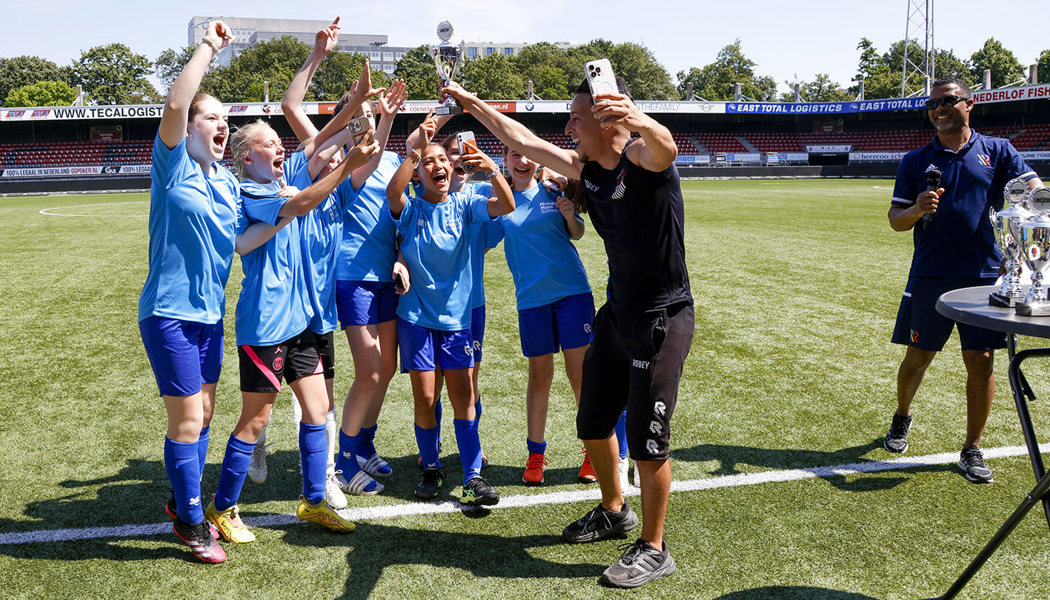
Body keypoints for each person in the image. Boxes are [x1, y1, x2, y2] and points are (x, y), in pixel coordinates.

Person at [441, 77, 693, 588]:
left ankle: (654, 545)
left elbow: (666, 147)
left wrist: (635, 115)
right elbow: (521, 139)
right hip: (617, 315)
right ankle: (613, 508)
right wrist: (471, 103)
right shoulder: (584, 170)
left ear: (607, 123)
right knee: (592, 423)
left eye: (576, 118)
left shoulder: (642, 162)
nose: (567, 127)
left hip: (662, 319)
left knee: (647, 442)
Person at [205, 100, 381, 545]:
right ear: (248, 157)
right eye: (269, 143)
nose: (280, 148)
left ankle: (313, 500)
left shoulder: (284, 181)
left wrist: (360, 113)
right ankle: (222, 507)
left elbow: (322, 145)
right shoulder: (253, 190)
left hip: (302, 320)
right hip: (265, 323)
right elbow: (302, 203)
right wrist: (343, 168)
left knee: (318, 411)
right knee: (256, 420)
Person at [884, 76, 1042, 484]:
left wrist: (1039, 206)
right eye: (933, 103)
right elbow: (896, 221)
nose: (939, 108)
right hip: (931, 274)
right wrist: (917, 210)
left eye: (949, 100)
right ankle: (902, 417)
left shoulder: (997, 150)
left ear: (969, 105)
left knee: (982, 361)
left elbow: (1033, 189)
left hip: (988, 277)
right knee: (918, 356)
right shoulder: (915, 161)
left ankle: (972, 448)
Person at [281, 20, 414, 496]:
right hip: (350, 276)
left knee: (385, 369)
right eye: (353, 117)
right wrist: (381, 116)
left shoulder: (376, 163)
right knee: (370, 370)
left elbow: (398, 213)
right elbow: (363, 154)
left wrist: (400, 255)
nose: (360, 123)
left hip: (382, 277)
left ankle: (360, 445)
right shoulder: (345, 159)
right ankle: (342, 457)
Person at [138, 20, 238, 564]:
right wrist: (208, 47)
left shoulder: (225, 181)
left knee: (201, 410)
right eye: (211, 118)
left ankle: (183, 503)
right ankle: (193, 523)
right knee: (189, 419)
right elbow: (175, 109)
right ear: (193, 128)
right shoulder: (172, 167)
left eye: (226, 119)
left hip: (210, 316)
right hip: (168, 311)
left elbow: (246, 237)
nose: (220, 126)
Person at [385, 112, 515, 505]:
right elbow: (394, 192)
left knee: (464, 395)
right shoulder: (409, 208)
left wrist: (493, 169)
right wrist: (416, 147)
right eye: (429, 162)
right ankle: (430, 466)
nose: (437, 165)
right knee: (426, 397)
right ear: (418, 174)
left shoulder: (465, 204)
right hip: (416, 318)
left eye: (442, 159)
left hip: (458, 319)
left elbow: (506, 204)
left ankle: (473, 474)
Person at [490, 151, 600, 486]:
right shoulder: (498, 200)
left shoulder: (554, 190)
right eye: (513, 155)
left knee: (579, 375)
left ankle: (593, 452)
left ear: (536, 160)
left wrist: (570, 216)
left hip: (572, 293)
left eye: (526, 155)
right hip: (532, 300)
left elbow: (578, 232)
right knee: (540, 376)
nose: (521, 161)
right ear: (505, 161)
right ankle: (535, 455)